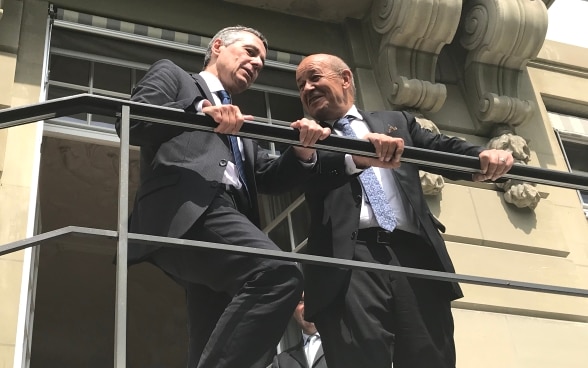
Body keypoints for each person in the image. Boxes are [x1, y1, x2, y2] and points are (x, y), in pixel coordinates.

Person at [116, 27, 330, 368]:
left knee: (212, 335)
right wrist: (199, 111)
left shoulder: (239, 119)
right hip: (191, 210)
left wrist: (303, 151)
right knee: (279, 274)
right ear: (217, 46)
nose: (257, 62)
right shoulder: (174, 76)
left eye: (261, 60)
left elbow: (267, 177)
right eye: (249, 51)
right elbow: (133, 121)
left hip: (229, 220)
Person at [293, 53, 515, 368]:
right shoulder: (308, 138)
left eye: (314, 77)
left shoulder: (395, 122)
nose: (307, 88)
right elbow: (297, 172)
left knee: (430, 355)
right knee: (359, 358)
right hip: (349, 261)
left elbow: (439, 147)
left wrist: (482, 155)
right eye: (301, 84)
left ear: (345, 79)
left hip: (414, 252)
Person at [271, 293, 327, 368]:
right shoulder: (281, 362)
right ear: (293, 310)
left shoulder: (344, 345)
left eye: (314, 299)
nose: (308, 306)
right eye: (301, 301)